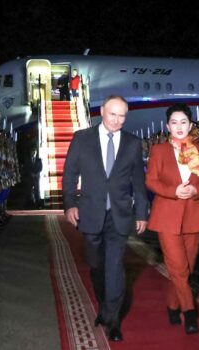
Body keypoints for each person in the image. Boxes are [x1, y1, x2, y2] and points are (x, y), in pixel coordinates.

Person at [62, 95, 148, 341]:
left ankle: (112, 319)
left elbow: (138, 183)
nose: (117, 120)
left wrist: (141, 212)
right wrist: (69, 205)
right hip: (89, 214)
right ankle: (103, 304)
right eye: (113, 114)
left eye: (122, 116)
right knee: (96, 266)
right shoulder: (82, 138)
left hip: (119, 216)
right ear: (102, 111)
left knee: (114, 268)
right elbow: (69, 175)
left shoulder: (132, 143)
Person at [145, 103, 199, 335]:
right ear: (167, 126)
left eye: (183, 122)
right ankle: (190, 312)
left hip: (194, 215)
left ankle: (172, 304)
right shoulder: (159, 151)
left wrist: (196, 191)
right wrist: (173, 191)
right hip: (167, 216)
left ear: (190, 125)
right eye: (174, 122)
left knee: (186, 268)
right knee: (178, 267)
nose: (178, 126)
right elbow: (151, 181)